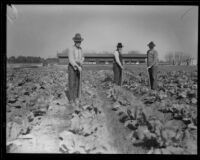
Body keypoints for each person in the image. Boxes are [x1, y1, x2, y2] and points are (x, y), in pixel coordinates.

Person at [68, 33, 84, 106]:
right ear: (75, 41)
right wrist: (77, 66)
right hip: (72, 67)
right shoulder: (71, 49)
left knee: (78, 83)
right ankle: (71, 99)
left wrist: (82, 61)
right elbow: (71, 60)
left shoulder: (81, 49)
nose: (79, 43)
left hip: (78, 67)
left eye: (80, 42)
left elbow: (82, 57)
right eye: (77, 42)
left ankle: (76, 98)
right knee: (72, 83)